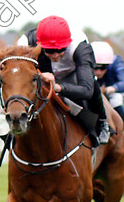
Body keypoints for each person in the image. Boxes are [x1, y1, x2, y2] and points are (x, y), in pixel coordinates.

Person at [23, 16, 110, 146]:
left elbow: (87, 90)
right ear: (39, 45)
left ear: (68, 44)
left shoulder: (80, 47)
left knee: (93, 82)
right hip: (44, 74)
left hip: (73, 74)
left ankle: (102, 122)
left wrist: (57, 87)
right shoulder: (25, 43)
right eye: (50, 50)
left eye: (61, 49)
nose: (56, 55)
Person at [91, 41, 124, 155]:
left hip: (111, 92)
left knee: (119, 109)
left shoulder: (116, 62)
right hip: (93, 92)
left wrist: (112, 88)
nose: (98, 72)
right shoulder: (84, 61)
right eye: (95, 68)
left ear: (109, 65)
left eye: (103, 68)